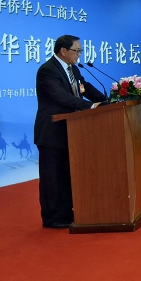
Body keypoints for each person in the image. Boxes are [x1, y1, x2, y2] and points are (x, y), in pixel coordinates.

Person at [35, 34, 107, 228]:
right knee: (53, 177)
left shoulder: (73, 69)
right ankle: (52, 218)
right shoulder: (47, 71)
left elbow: (85, 88)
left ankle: (66, 214)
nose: (79, 55)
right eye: (77, 51)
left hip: (71, 132)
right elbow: (62, 97)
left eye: (80, 51)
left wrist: (107, 102)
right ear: (63, 51)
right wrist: (91, 107)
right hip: (52, 132)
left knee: (67, 175)